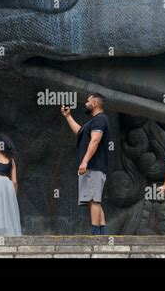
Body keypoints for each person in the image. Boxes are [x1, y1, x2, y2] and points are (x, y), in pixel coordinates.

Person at [61, 93, 110, 235]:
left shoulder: (100, 119)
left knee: (94, 200)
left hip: (94, 166)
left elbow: (95, 140)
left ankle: (96, 235)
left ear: (95, 103)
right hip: (91, 167)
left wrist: (85, 161)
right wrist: (68, 116)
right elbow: (80, 132)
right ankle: (102, 234)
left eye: (88, 101)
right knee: (93, 200)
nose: (85, 103)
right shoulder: (92, 122)